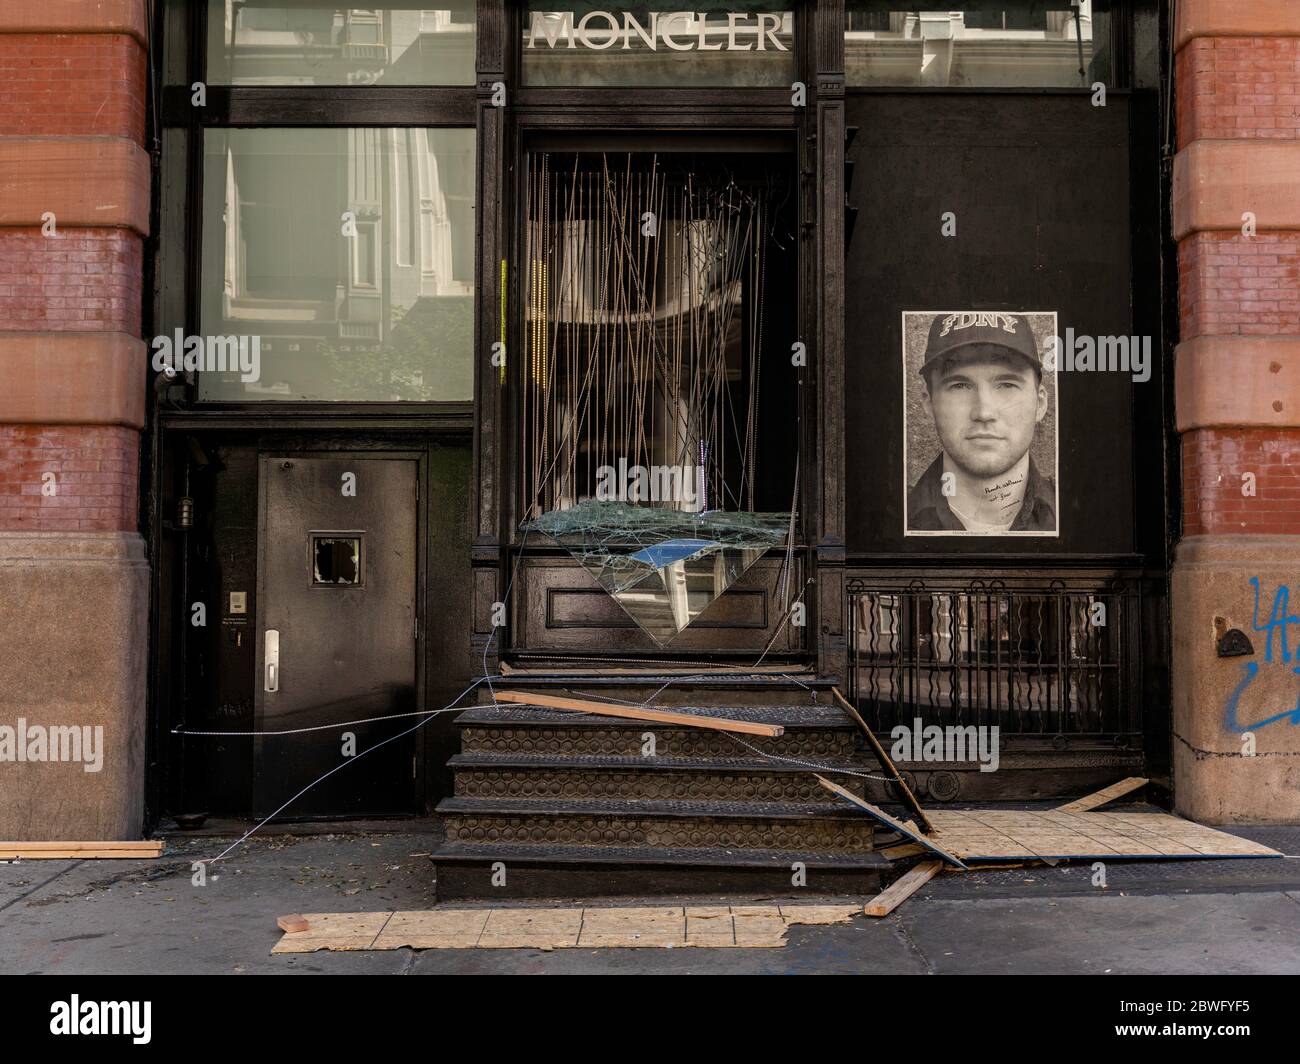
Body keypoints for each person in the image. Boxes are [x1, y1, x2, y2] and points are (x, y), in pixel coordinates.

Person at [907, 312, 1056, 534]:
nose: (984, 412)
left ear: (1040, 403)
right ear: (929, 403)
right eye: (959, 386)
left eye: (1007, 385)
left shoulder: (1082, 512)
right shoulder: (888, 516)